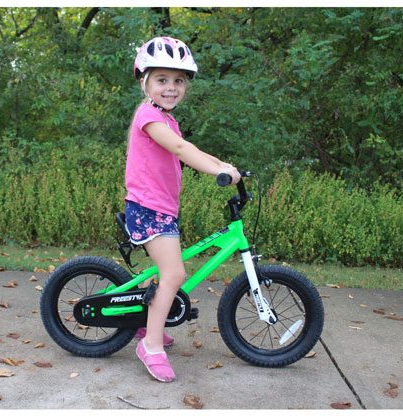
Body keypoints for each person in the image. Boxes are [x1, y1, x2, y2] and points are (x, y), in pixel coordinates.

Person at [125, 36, 241, 382]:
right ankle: (151, 345)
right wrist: (215, 169)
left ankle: (149, 325)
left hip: (160, 209)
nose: (171, 87)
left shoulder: (166, 117)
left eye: (178, 81)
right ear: (144, 81)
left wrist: (221, 162)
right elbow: (178, 146)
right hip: (148, 209)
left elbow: (185, 146)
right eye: (162, 79)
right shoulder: (149, 115)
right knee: (174, 273)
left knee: (169, 272)